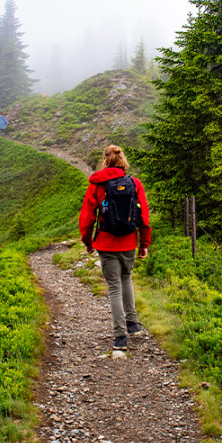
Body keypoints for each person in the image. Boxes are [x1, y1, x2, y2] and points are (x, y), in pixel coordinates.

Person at [79, 145, 151, 351]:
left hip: (106, 242)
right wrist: (144, 243)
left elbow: (86, 218)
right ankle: (133, 324)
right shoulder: (135, 184)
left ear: (105, 160)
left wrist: (87, 242)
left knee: (114, 287)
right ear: (122, 161)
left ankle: (120, 336)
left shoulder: (97, 186)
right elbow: (144, 218)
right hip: (129, 241)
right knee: (126, 279)